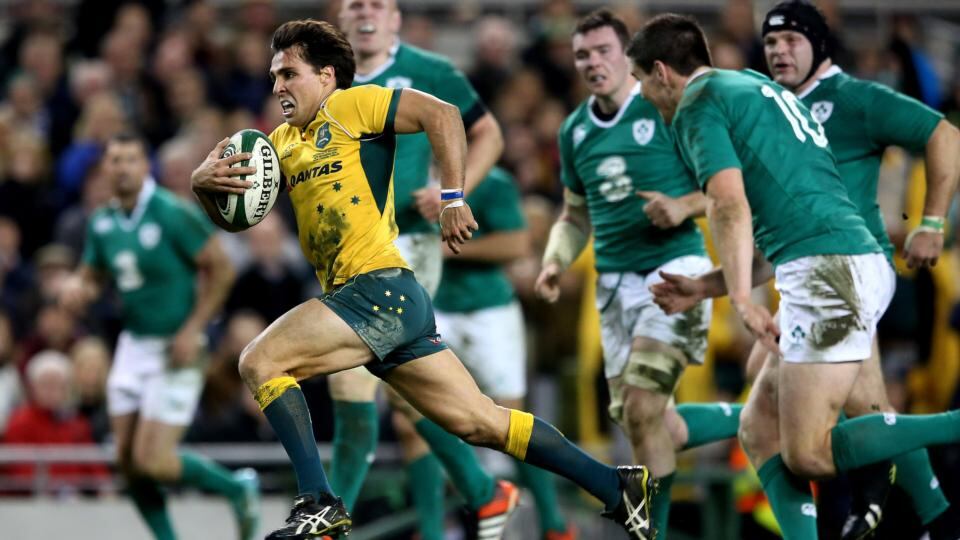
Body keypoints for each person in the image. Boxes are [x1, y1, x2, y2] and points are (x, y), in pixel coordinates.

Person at [190, 19, 654, 540]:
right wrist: (203, 185)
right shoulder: (278, 144)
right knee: (482, 422)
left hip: (377, 289)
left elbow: (443, 114)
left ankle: (318, 500)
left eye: (289, 73)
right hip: (383, 303)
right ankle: (617, 486)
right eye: (274, 75)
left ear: (326, 76)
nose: (277, 85)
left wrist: (453, 198)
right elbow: (239, 215)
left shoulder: (353, 105)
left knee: (260, 360)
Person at [629, 13, 960, 540]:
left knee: (808, 453)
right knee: (760, 429)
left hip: (828, 273)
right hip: (837, 261)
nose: (642, 95)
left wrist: (741, 299)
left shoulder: (699, 104)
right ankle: (926, 514)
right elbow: (780, 225)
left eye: (640, 81)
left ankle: (951, 432)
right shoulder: (752, 87)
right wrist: (707, 286)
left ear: (662, 72)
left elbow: (728, 204)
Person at [534, 10, 744, 537]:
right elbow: (574, 214)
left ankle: (653, 532)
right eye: (582, 55)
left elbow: (726, 188)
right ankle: (759, 413)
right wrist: (555, 260)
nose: (593, 63)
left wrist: (682, 206)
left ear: (627, 56)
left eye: (603, 51)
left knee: (644, 405)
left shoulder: (666, 107)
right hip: (612, 288)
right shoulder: (575, 130)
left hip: (675, 273)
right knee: (645, 421)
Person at [330, 2, 519, 538]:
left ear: (395, 18)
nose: (365, 12)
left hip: (406, 245)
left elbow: (489, 134)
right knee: (405, 392)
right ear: (340, 16)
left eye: (377, 4)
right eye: (355, 3)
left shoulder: (430, 71)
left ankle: (328, 521)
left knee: (350, 381)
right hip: (346, 247)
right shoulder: (325, 77)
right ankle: (483, 492)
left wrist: (452, 191)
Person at [59, 133, 260, 540]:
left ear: (145, 166)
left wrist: (193, 328)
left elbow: (221, 268)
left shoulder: (171, 212)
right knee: (127, 462)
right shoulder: (102, 221)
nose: (122, 168)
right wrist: (79, 287)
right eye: (115, 160)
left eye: (130, 159)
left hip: (177, 347)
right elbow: (93, 274)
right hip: (134, 345)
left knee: (152, 460)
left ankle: (236, 487)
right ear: (105, 169)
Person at [433, 166, 572, 540]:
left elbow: (516, 244)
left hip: (489, 310)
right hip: (433, 305)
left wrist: (449, 248)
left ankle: (553, 523)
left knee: (510, 419)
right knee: (419, 415)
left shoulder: (492, 182)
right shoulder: (409, 175)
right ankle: (438, 526)